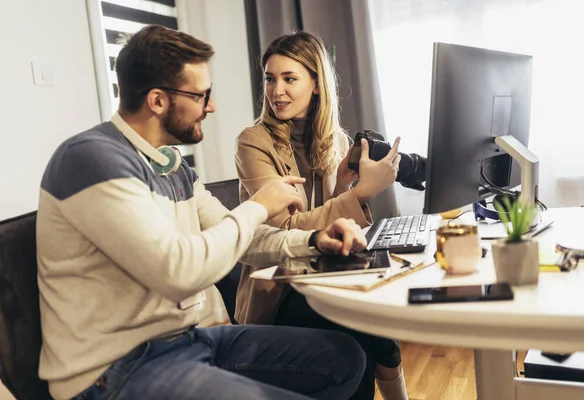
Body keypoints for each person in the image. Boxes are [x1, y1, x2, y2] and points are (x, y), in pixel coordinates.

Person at [36, 25, 369, 400]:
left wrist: (313, 240)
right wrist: (258, 206)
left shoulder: (172, 166)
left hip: (185, 341)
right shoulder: (92, 159)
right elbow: (177, 272)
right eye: (200, 95)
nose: (210, 107)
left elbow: (243, 241)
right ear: (158, 101)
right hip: (112, 369)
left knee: (344, 358)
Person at [235, 31, 408, 400]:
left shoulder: (338, 141)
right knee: (359, 330)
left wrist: (346, 190)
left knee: (372, 313)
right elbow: (289, 229)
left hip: (326, 274)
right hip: (280, 288)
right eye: (270, 78)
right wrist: (360, 193)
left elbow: (342, 229)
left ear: (316, 84)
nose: (276, 90)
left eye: (289, 78)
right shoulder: (253, 142)